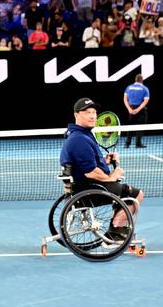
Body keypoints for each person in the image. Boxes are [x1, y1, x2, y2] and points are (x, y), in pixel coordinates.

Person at [60, 98, 144, 236]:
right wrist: (112, 177)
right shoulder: (79, 139)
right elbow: (90, 172)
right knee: (136, 195)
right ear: (76, 115)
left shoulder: (82, 134)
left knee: (122, 190)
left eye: (94, 112)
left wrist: (104, 162)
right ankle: (115, 230)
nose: (93, 116)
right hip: (89, 191)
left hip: (85, 187)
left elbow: (84, 164)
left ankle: (116, 228)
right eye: (88, 112)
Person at [122, 74, 150, 148]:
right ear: (142, 80)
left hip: (131, 108)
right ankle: (138, 144)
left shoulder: (129, 87)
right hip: (140, 110)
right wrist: (138, 109)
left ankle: (127, 144)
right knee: (140, 127)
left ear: (135, 79)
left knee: (130, 127)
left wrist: (129, 109)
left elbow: (125, 99)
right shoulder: (145, 88)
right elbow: (145, 101)